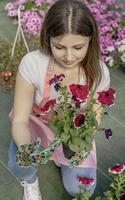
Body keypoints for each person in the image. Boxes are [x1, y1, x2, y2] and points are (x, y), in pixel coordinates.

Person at [8, 0, 110, 199]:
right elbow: (20, 120)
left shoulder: (98, 73)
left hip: (73, 133)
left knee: (82, 189)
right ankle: (30, 181)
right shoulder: (33, 63)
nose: (69, 56)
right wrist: (27, 149)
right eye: (59, 47)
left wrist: (77, 144)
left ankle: (61, 157)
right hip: (38, 124)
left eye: (78, 47)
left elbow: (93, 119)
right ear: (48, 38)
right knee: (19, 163)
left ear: (91, 40)